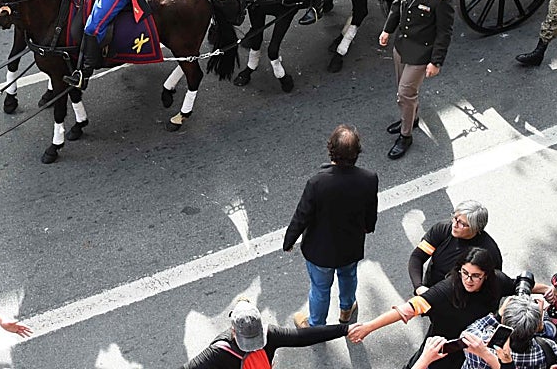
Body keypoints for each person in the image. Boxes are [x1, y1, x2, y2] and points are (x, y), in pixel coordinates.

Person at [348, 249, 514, 369]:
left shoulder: (498, 281)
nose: (468, 280)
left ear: (486, 275)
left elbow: (520, 286)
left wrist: (540, 293)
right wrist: (369, 327)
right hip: (440, 352)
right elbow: (408, 309)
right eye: (464, 272)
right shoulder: (446, 290)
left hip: (474, 353)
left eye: (475, 275)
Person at [283, 124, 378, 327]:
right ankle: (346, 310)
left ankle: (317, 326)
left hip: (320, 250)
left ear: (331, 150)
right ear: (357, 153)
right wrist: (369, 227)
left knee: (320, 288)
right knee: (348, 277)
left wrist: (289, 240)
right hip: (350, 246)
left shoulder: (318, 183)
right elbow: (371, 210)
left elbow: (302, 215)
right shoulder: (369, 178)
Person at [379, 0, 455, 160]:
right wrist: (387, 29)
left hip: (421, 53)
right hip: (402, 46)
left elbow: (444, 33)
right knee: (404, 91)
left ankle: (406, 135)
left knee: (405, 94)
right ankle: (410, 118)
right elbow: (397, 6)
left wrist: (436, 62)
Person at [181, 296, 348, 369]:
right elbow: (302, 337)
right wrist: (344, 329)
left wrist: (344, 329)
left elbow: (302, 337)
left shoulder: (219, 351)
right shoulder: (269, 334)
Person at [409, 202, 503, 294]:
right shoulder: (443, 229)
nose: (454, 224)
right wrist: (419, 287)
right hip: (430, 288)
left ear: (476, 228)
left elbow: (491, 287)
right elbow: (417, 257)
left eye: (462, 223)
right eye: (455, 218)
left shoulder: (489, 252)